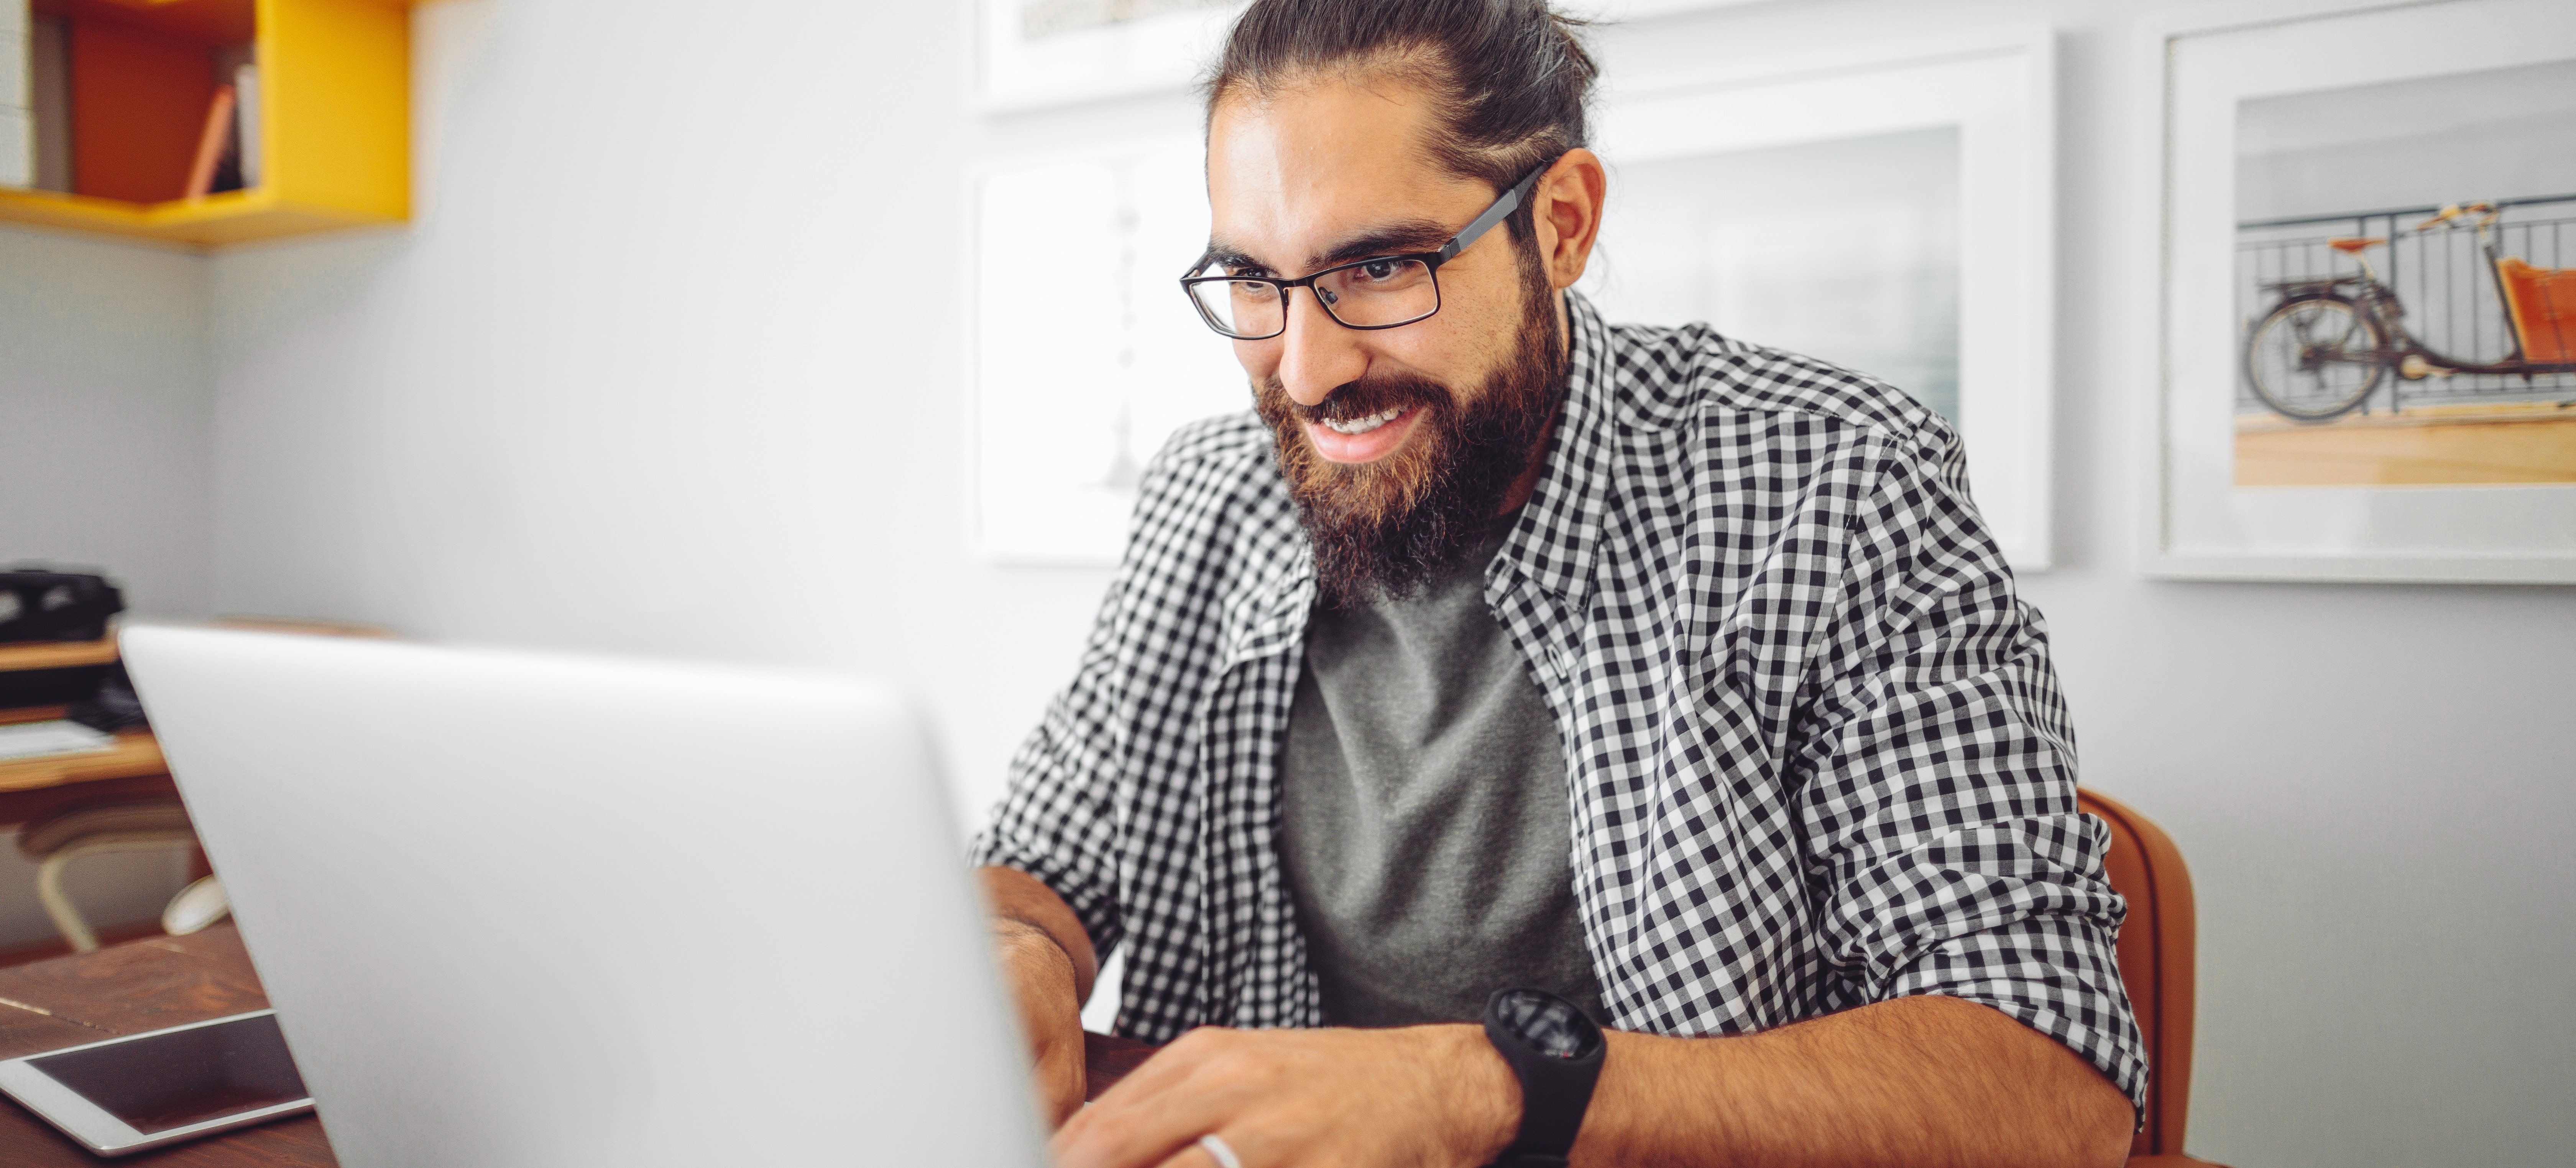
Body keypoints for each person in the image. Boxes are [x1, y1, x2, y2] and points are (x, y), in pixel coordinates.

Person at [972, 2, 2143, 1165]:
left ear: (1563, 224)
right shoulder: (1209, 495)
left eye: (1379, 267)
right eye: (1252, 280)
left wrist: (1476, 1090)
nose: (1309, 371)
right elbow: (1043, 864)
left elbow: (2051, 1082)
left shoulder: (1832, 489)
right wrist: (1018, 949)